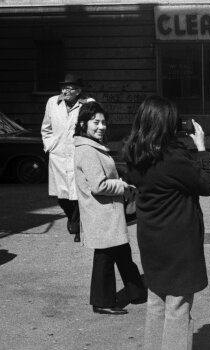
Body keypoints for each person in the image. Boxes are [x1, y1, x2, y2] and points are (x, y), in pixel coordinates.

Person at [122, 96, 210, 350]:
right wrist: (202, 149)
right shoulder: (173, 158)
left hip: (151, 238)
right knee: (177, 305)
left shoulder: (134, 154)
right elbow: (206, 185)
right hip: (178, 241)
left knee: (156, 299)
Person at [73, 101, 146, 315]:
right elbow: (99, 185)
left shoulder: (93, 146)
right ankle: (102, 302)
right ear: (84, 124)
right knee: (104, 258)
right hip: (101, 213)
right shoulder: (87, 149)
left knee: (122, 252)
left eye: (103, 122)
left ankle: (137, 293)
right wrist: (123, 186)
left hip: (107, 212)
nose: (101, 127)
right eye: (95, 122)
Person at [41, 73, 94, 242]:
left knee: (79, 192)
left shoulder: (89, 104)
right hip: (58, 155)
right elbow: (46, 128)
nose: (65, 91)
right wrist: (50, 145)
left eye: (69, 88)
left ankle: (78, 227)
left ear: (78, 91)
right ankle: (72, 218)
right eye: (63, 87)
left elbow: (94, 127)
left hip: (79, 153)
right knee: (62, 195)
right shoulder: (52, 103)